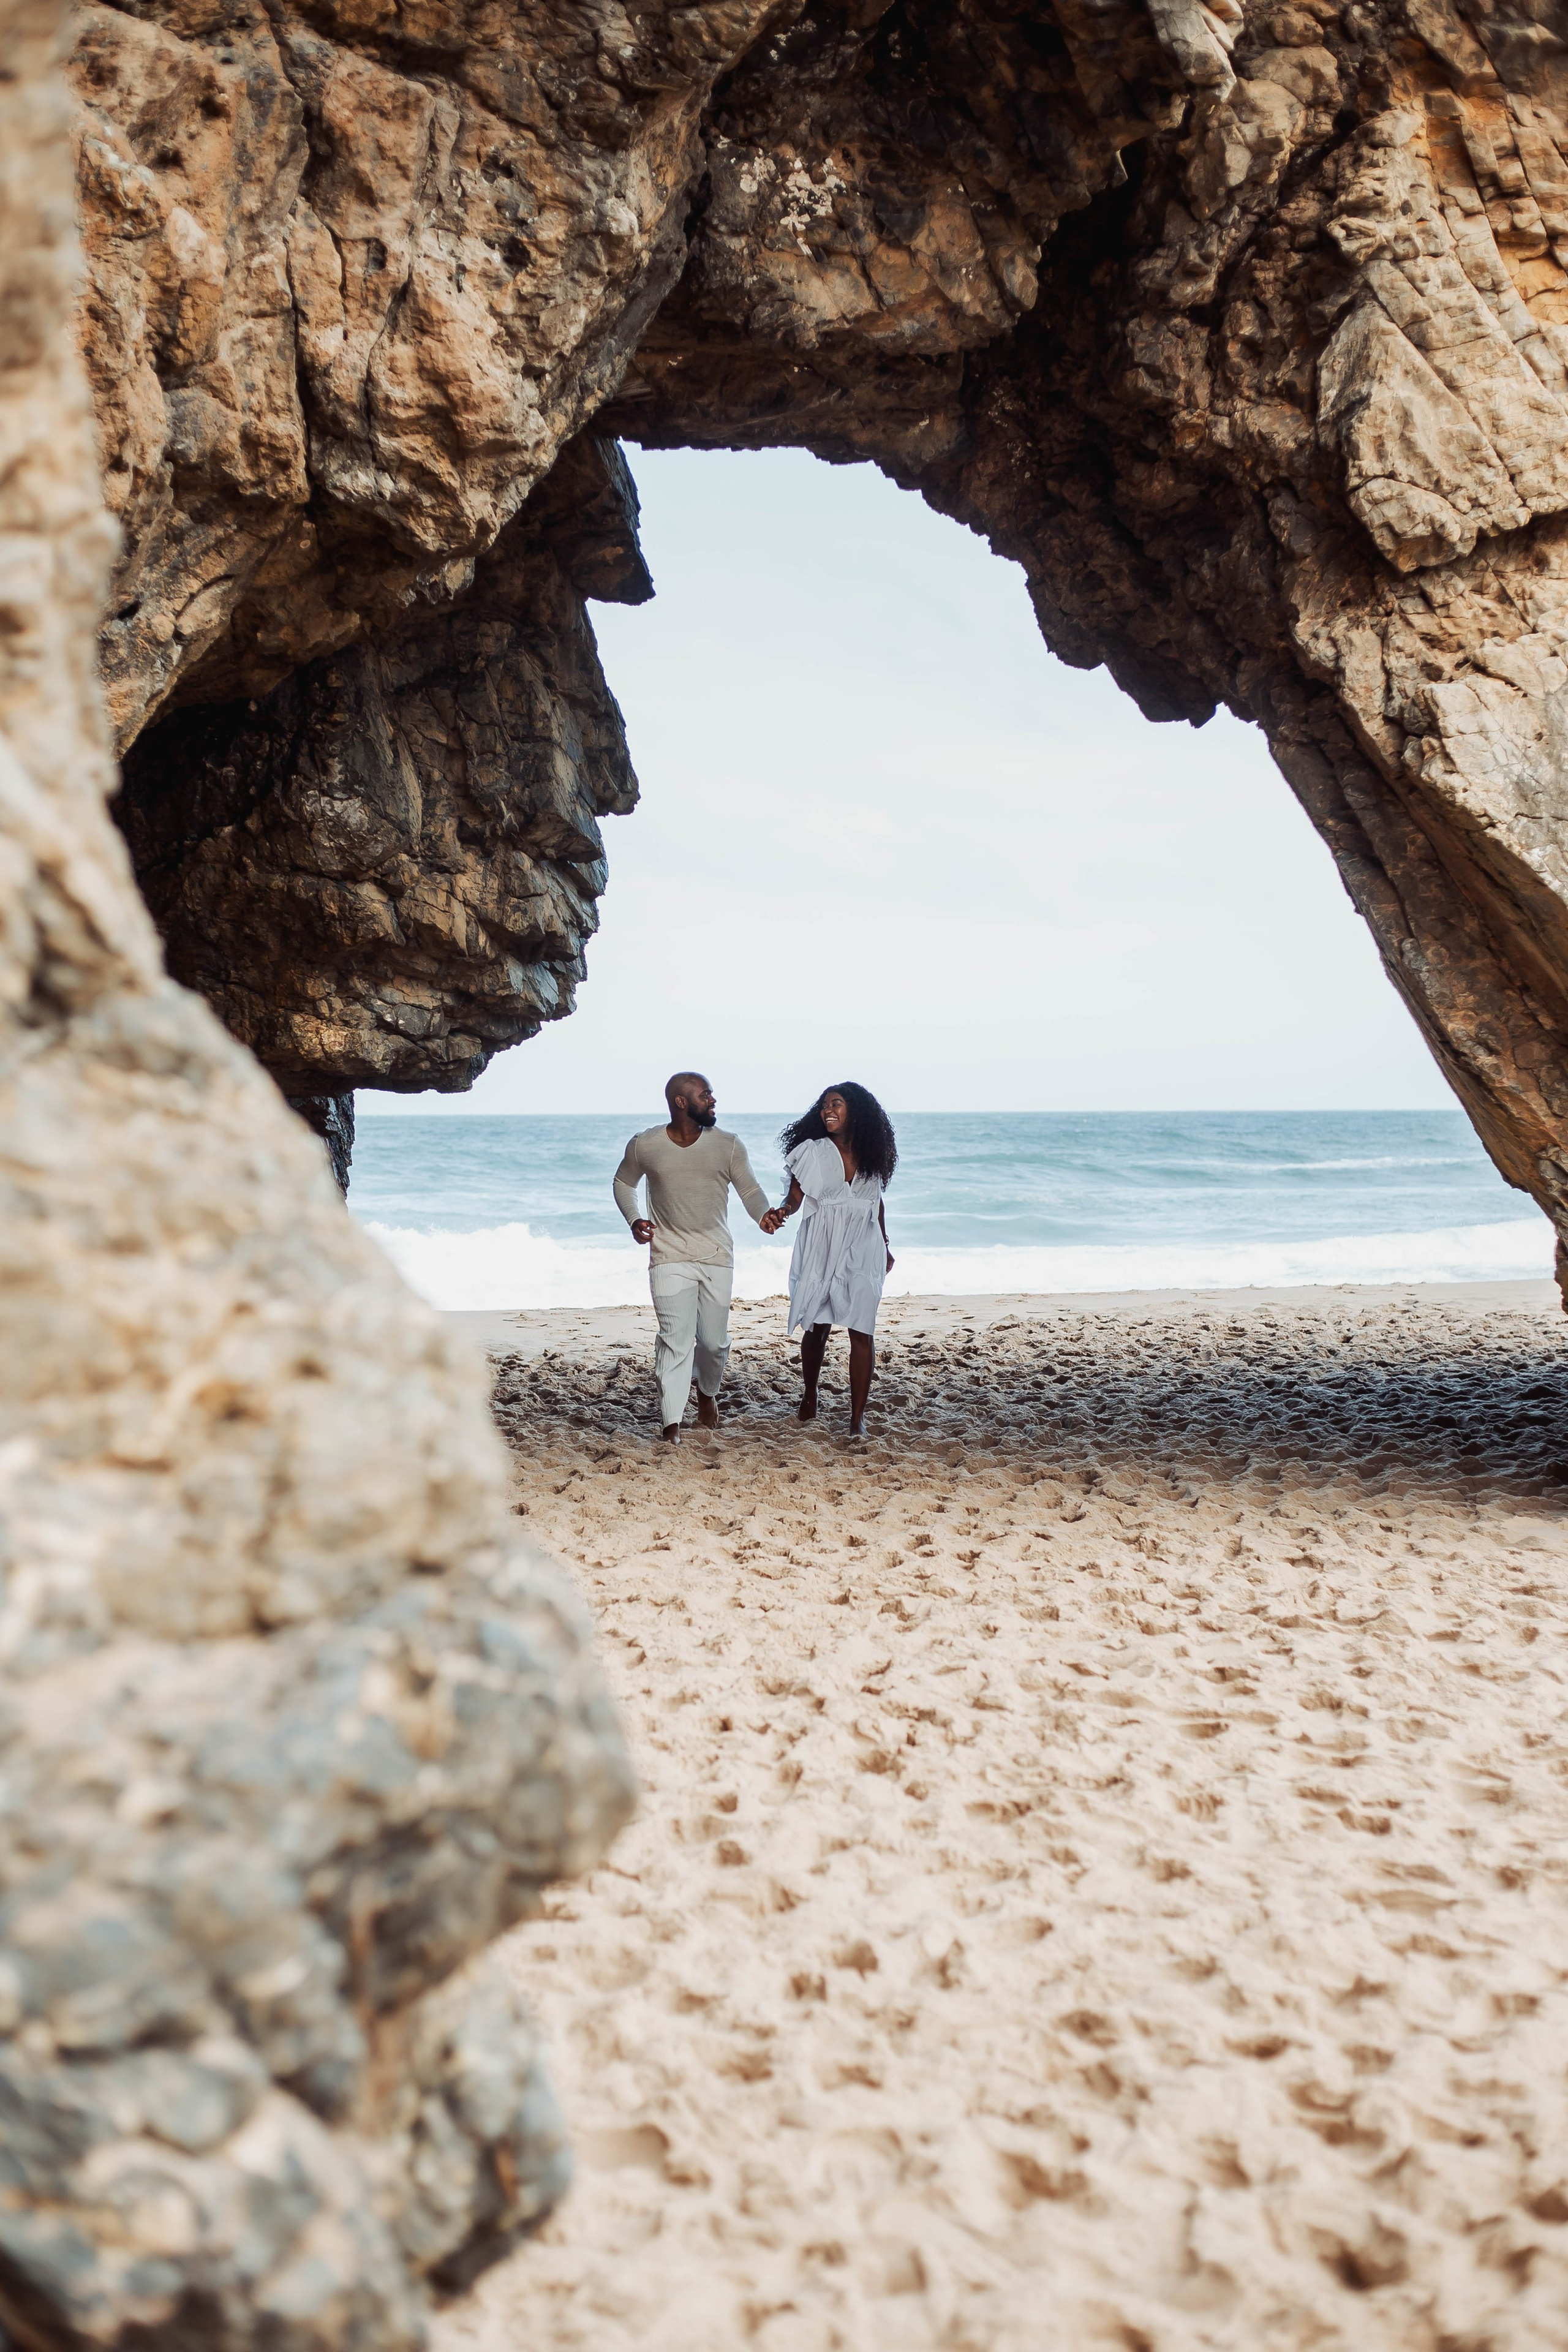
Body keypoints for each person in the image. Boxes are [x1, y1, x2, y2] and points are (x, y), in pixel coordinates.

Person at [614, 1072, 771, 1444]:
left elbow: (749, 1189)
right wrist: (635, 1219)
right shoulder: (645, 1145)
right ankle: (671, 1424)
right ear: (682, 1102)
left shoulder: (728, 1145)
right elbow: (623, 1183)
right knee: (675, 1339)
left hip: (716, 1255)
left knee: (714, 1343)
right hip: (668, 1256)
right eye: (706, 1095)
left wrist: (763, 1214)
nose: (714, 1100)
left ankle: (707, 1393)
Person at [762, 1082, 897, 1437]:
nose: (828, 1110)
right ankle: (810, 1392)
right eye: (824, 1105)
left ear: (857, 1111)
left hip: (863, 1245)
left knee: (862, 1327)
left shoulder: (871, 1152)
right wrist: (783, 1212)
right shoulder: (812, 1151)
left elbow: (875, 1201)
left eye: (836, 1103)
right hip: (822, 1244)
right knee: (818, 1323)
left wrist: (885, 1243)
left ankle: (857, 1418)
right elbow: (794, 1196)